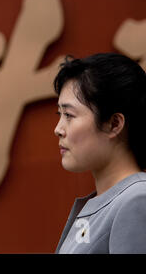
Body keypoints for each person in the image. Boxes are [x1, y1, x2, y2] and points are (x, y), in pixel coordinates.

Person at [53, 53, 146, 254]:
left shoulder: (137, 200)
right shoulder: (108, 202)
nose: (58, 129)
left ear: (114, 124)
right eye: (59, 114)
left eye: (69, 115)